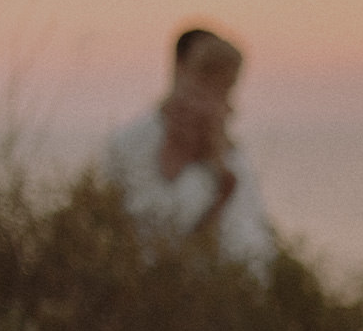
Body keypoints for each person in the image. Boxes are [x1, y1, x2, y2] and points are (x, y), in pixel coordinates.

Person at [101, 27, 276, 277]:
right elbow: (155, 230)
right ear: (181, 71)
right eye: (204, 84)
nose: (214, 105)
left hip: (235, 287)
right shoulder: (135, 142)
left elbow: (254, 235)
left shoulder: (233, 155)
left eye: (223, 90)